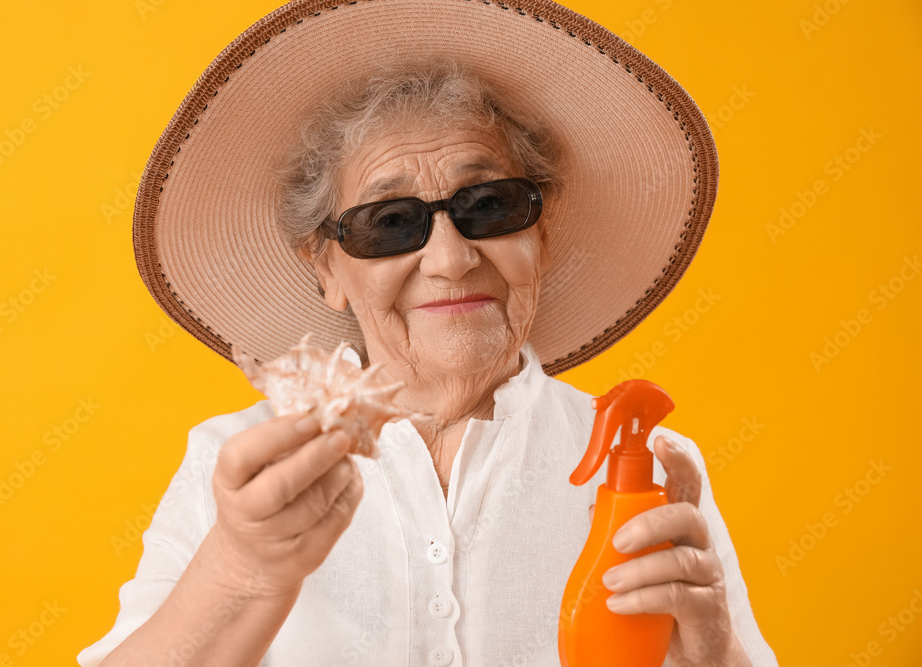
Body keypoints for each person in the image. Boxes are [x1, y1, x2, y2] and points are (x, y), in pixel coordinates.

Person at [79, 1, 778, 665]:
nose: (450, 258)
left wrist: (712, 655)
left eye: (490, 205)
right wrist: (241, 569)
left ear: (542, 230)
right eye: (389, 221)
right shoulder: (233, 466)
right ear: (326, 266)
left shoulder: (651, 469)